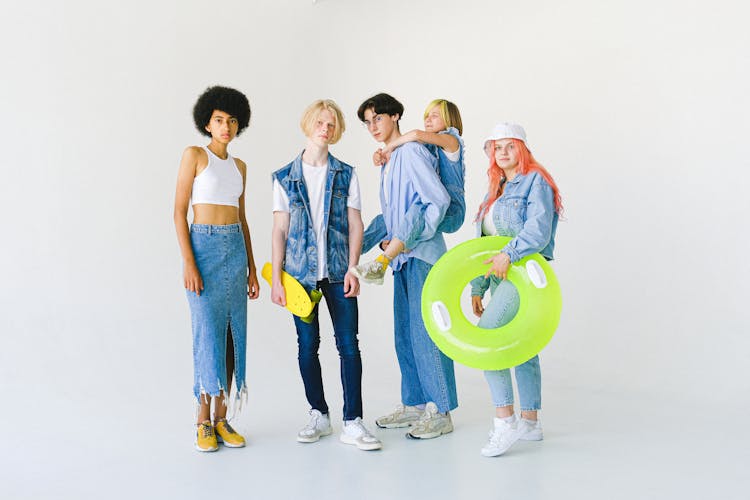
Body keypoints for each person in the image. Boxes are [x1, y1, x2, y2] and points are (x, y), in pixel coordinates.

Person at [270, 99, 381, 451]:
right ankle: (319, 413)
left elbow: (355, 223)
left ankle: (353, 421)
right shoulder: (284, 177)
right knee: (307, 348)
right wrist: (276, 279)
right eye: (320, 122)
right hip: (300, 277)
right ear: (308, 125)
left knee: (349, 346)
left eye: (332, 124)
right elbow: (279, 231)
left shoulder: (346, 173)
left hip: (337, 273)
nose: (326, 128)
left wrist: (353, 268)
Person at [355, 93, 457, 439]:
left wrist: (408, 239)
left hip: (423, 256)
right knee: (405, 335)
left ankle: (440, 410)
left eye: (378, 119)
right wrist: (358, 244)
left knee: (426, 334)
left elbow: (438, 200)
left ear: (395, 116)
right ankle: (414, 405)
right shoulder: (391, 158)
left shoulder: (411, 151)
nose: (373, 127)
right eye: (367, 122)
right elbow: (391, 215)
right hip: (401, 261)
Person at [173, 86, 260, 452]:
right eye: (219, 120)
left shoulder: (240, 167)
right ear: (207, 123)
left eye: (232, 121)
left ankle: (222, 419)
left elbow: (242, 219)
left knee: (231, 337)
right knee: (206, 335)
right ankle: (201, 421)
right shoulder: (194, 155)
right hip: (204, 247)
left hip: (235, 251)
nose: (226, 127)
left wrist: (253, 270)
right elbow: (179, 211)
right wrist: (189, 262)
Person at [470, 122, 562, 457]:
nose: (504, 152)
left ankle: (504, 421)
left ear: (521, 148)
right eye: (498, 147)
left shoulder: (535, 180)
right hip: (499, 279)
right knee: (523, 346)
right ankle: (530, 422)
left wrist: (508, 255)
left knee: (487, 338)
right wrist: (477, 286)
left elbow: (537, 231)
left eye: (511, 145)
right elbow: (483, 243)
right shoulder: (496, 188)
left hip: (523, 273)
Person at [355, 99, 466, 282]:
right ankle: (352, 251)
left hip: (453, 210)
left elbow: (415, 134)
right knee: (384, 219)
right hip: (421, 231)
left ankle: (382, 262)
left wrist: (389, 146)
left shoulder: (451, 140)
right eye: (426, 116)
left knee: (418, 207)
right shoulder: (427, 148)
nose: (428, 120)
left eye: (435, 115)